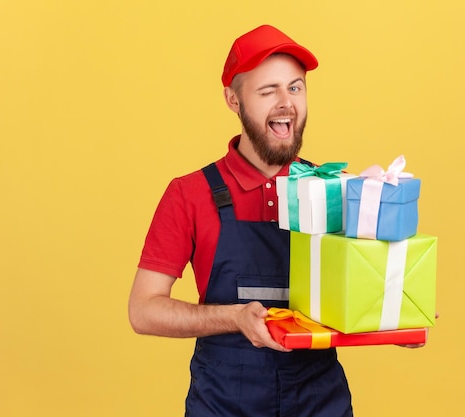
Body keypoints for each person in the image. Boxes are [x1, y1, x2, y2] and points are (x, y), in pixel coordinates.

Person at [128, 25, 354, 416]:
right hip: (224, 402)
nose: (286, 103)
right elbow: (143, 310)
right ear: (233, 99)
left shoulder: (334, 190)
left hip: (320, 401)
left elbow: (361, 288)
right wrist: (234, 317)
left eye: (295, 87)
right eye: (268, 91)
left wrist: (390, 318)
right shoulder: (189, 194)